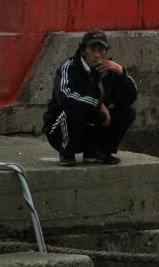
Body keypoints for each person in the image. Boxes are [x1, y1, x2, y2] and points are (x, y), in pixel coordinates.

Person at [43, 29, 137, 166]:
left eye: (101, 50)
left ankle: (98, 151)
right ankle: (66, 152)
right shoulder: (69, 67)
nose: (97, 55)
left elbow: (130, 97)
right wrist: (97, 104)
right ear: (83, 50)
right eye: (92, 49)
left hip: (90, 128)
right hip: (60, 128)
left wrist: (121, 72)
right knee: (74, 112)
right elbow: (65, 96)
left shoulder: (109, 71)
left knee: (129, 111)